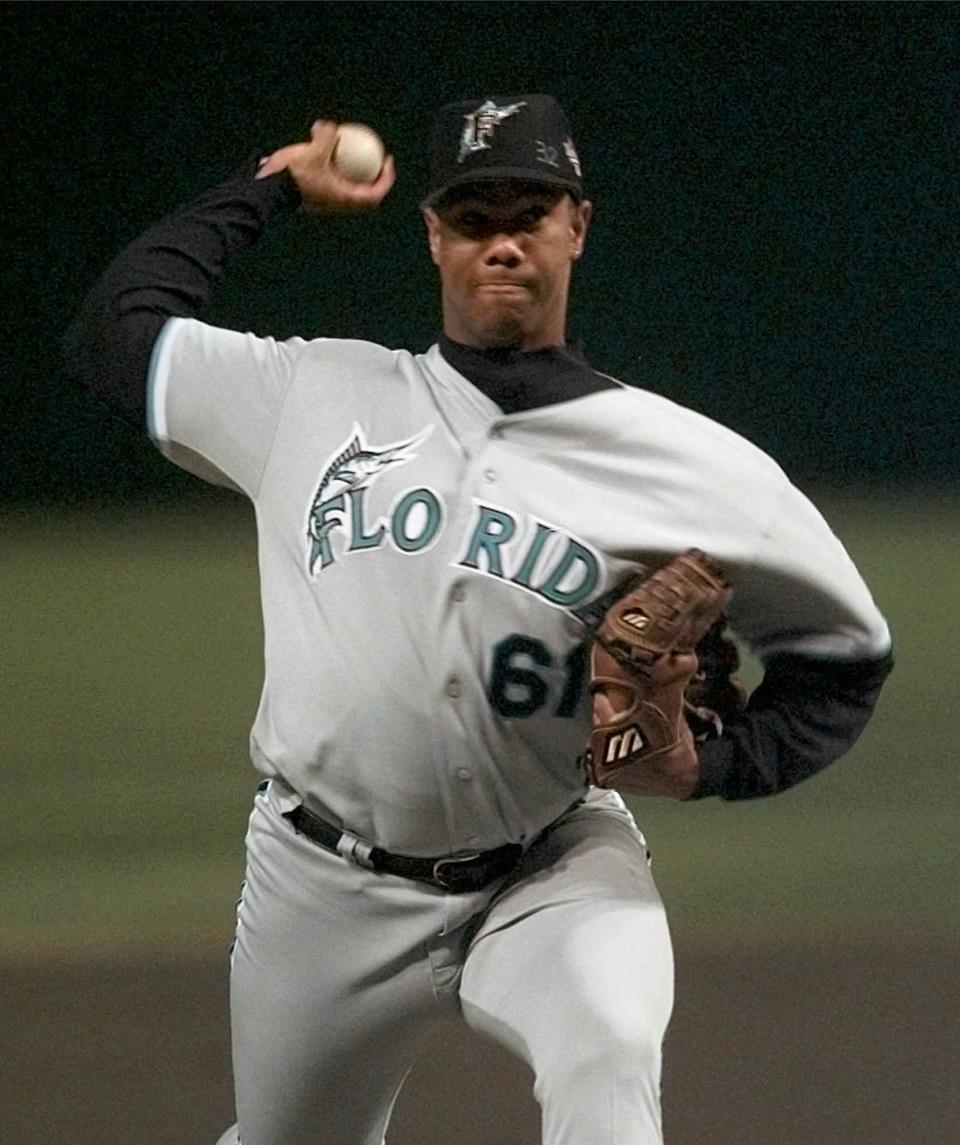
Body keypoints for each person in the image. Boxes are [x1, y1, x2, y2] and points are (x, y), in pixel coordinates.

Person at [64, 94, 893, 1145]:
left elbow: (847, 656)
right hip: (320, 883)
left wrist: (708, 765)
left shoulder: (695, 465)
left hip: (550, 862)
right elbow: (117, 330)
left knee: (609, 1047)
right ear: (433, 234)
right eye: (472, 215)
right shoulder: (312, 393)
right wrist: (271, 187)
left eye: (529, 212)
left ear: (576, 226)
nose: (501, 239)